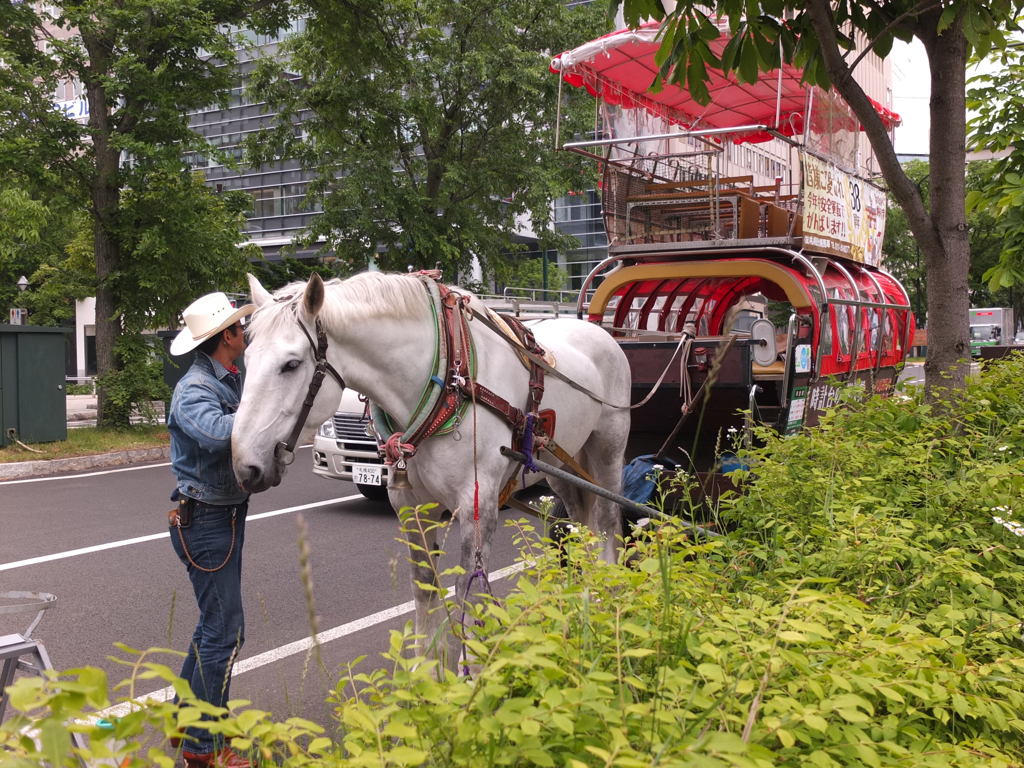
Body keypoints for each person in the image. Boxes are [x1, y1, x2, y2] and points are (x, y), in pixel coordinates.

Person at [166, 291, 255, 768]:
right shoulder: (195, 389)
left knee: (213, 629)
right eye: (241, 327)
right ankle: (204, 745)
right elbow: (221, 433)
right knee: (224, 633)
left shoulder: (230, 377)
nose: (246, 333)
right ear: (227, 336)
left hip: (218, 517)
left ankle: (187, 724)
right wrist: (264, 409)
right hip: (205, 522)